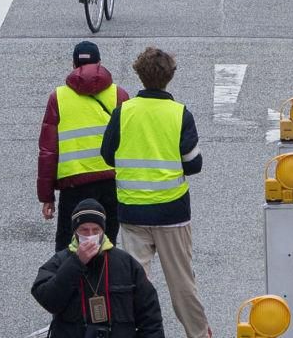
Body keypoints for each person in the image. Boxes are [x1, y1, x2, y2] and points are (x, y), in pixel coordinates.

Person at [99, 45, 208, 338]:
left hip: (132, 210)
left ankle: (132, 332)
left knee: (135, 281)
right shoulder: (179, 114)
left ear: (139, 74)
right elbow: (193, 164)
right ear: (170, 76)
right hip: (172, 211)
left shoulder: (124, 112)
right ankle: (198, 333)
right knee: (182, 282)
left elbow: (107, 154)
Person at [30, 201, 166, 338]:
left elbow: (151, 319)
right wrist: (76, 262)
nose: (90, 235)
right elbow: (49, 300)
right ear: (75, 232)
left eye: (95, 230)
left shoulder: (126, 264)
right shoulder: (60, 261)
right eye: (84, 230)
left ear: (103, 231)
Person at [38, 39, 125, 249]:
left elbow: (48, 151)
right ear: (99, 63)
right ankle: (103, 282)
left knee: (67, 251)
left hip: (73, 186)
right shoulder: (118, 95)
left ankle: (72, 282)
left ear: (73, 65)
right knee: (107, 247)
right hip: (111, 185)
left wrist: (47, 196)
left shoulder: (58, 97)